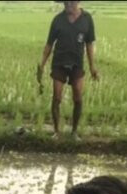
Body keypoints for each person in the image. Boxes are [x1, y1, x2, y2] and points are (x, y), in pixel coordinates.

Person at [37, 1, 98, 139]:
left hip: (77, 63)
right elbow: (49, 45)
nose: (67, 4)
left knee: (78, 98)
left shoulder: (87, 19)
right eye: (65, 2)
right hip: (59, 62)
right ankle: (57, 132)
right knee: (57, 97)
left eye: (70, 2)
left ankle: (74, 132)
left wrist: (92, 67)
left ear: (77, 2)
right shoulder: (58, 20)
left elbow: (89, 44)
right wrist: (42, 65)